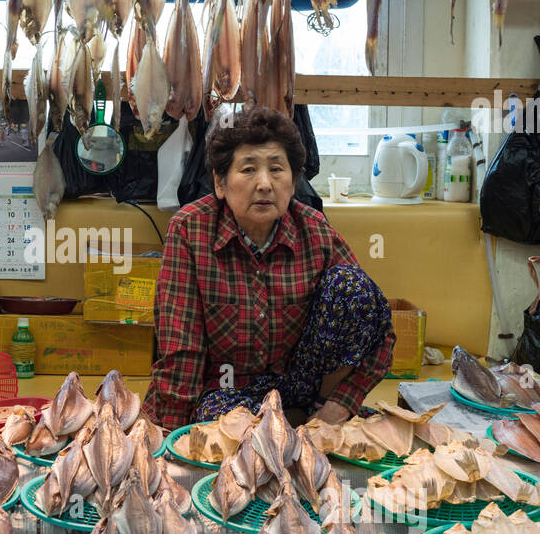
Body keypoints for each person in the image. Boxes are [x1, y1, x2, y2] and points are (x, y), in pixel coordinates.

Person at [142, 108, 395, 431]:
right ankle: (288, 427)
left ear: (292, 183)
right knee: (219, 427)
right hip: (224, 389)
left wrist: (341, 403)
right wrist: (171, 435)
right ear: (220, 182)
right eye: (248, 170)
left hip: (297, 386)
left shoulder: (315, 230)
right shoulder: (190, 230)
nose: (264, 184)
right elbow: (181, 347)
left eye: (277, 169)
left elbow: (380, 331)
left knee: (352, 286)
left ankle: (305, 417)